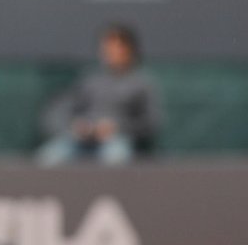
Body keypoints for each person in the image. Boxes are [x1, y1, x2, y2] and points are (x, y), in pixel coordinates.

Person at [37, 24, 163, 166]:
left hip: (117, 140)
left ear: (130, 50)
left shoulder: (142, 83)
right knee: (49, 156)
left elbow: (151, 123)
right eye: (108, 47)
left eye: (118, 47)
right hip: (81, 140)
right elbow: (60, 111)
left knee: (116, 156)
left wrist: (117, 128)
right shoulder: (90, 79)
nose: (113, 52)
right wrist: (75, 127)